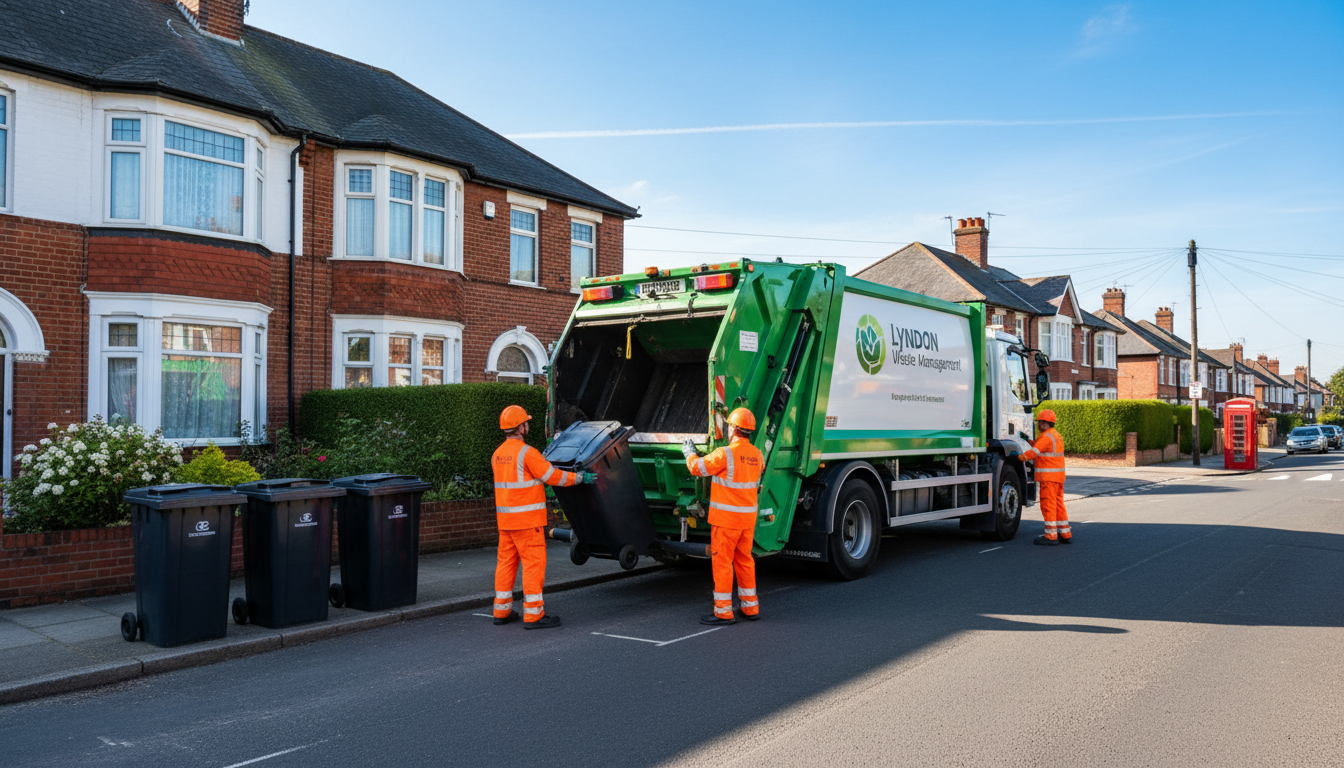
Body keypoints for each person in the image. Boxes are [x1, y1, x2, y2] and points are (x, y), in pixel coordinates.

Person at [492, 405, 595, 629]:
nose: (528, 425)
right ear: (520, 427)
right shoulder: (527, 453)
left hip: (506, 522)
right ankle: (533, 615)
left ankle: (501, 611)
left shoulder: (498, 454)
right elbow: (552, 475)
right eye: (526, 423)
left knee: (506, 564)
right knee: (533, 566)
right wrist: (578, 479)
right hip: (528, 523)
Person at [683, 407, 765, 625]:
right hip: (747, 522)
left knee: (723, 564)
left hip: (726, 522)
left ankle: (723, 612)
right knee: (745, 561)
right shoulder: (758, 456)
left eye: (729, 426)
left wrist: (688, 453)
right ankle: (750, 608)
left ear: (733, 429)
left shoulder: (724, 454)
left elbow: (696, 468)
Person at [1021, 408, 1071, 546]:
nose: (1038, 425)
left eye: (1039, 423)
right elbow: (1042, 448)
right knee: (1058, 504)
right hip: (1058, 477)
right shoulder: (1056, 435)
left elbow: (1033, 453)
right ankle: (1065, 533)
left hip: (1048, 478)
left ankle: (1050, 535)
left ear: (1044, 423)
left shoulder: (1046, 437)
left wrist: (1020, 456)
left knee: (1048, 505)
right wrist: (1031, 442)